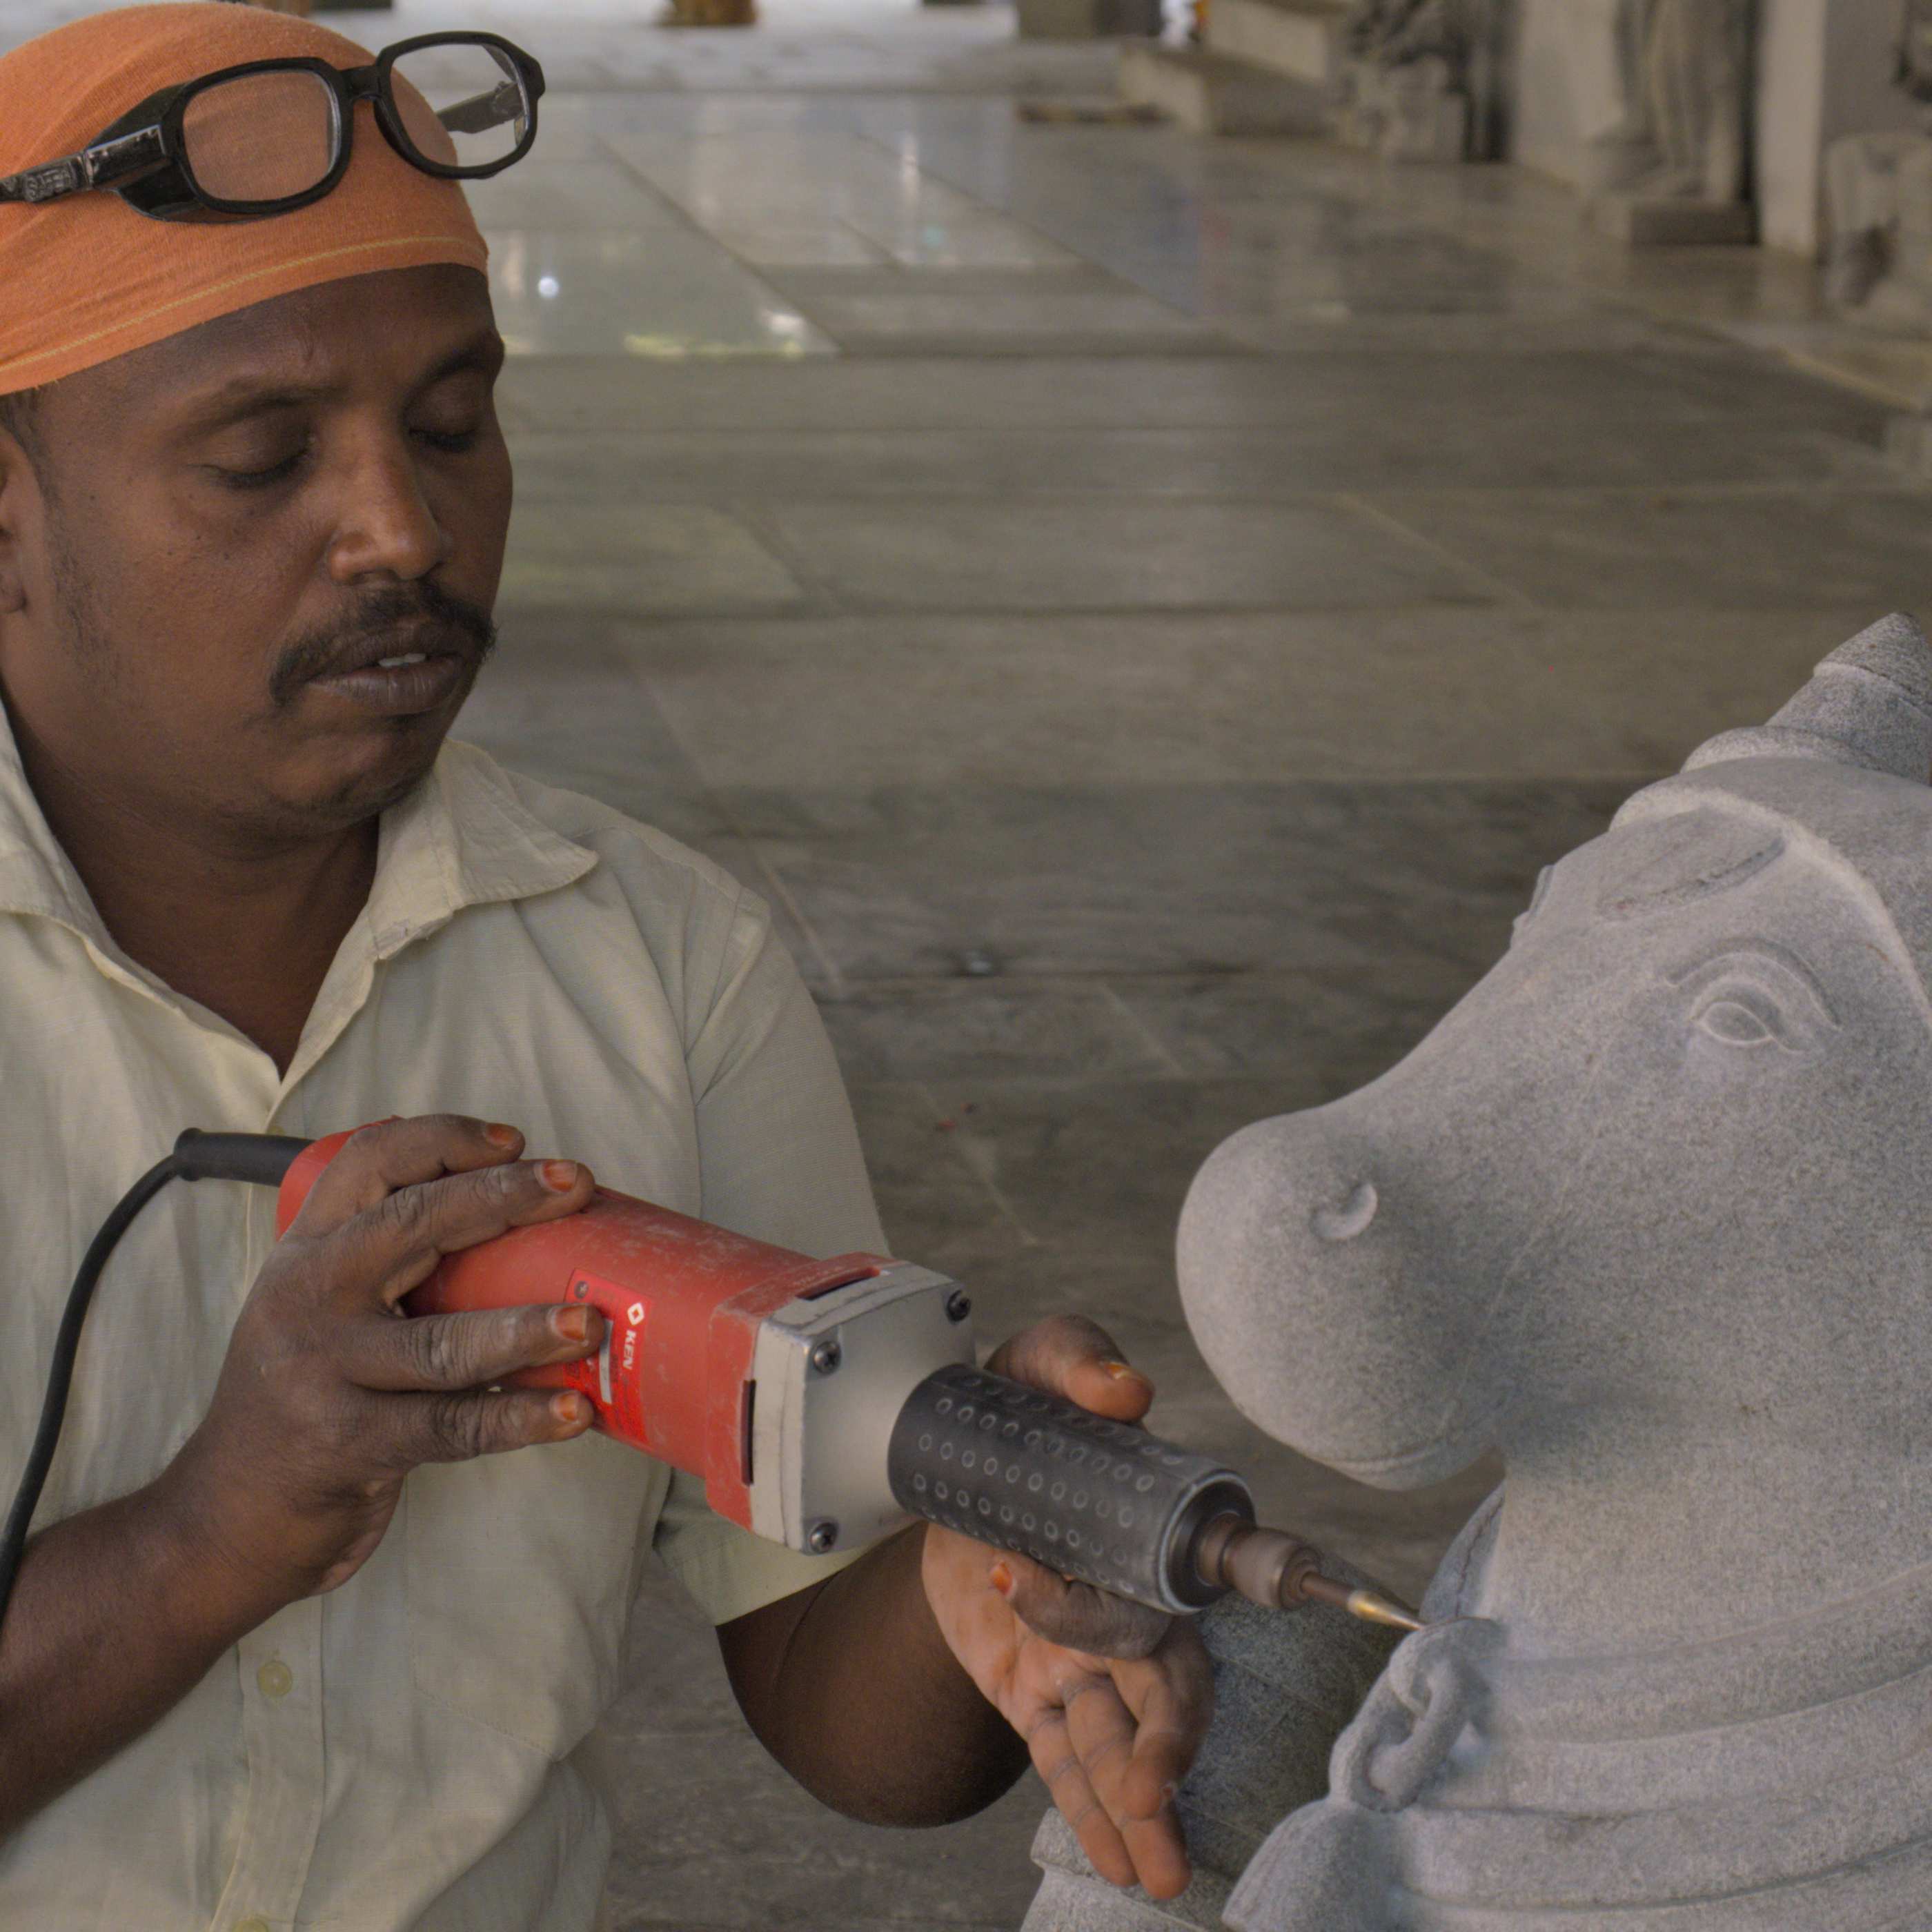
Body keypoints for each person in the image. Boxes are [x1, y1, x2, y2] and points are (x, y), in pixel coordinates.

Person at [0, 7, 1212, 1927]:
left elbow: (835, 1699)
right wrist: (213, 1533)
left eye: (456, 424)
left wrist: (986, 1571)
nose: (403, 527)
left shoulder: (656, 965)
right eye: (258, 458)